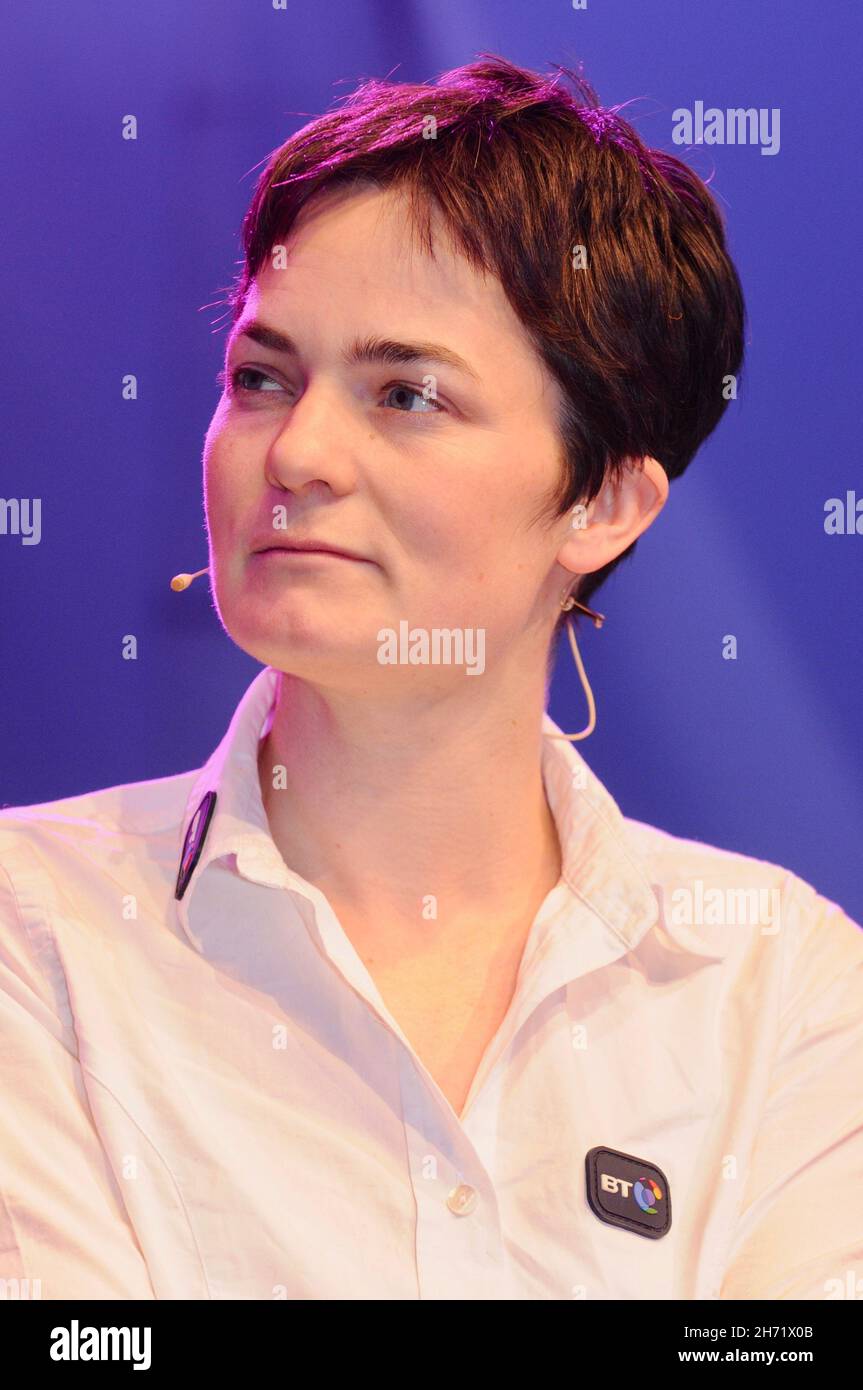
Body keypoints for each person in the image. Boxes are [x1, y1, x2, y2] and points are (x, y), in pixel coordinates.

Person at [1, 54, 861, 1302]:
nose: (295, 451)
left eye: (406, 394)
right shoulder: (38, 933)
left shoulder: (780, 987)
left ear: (602, 498)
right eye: (260, 378)